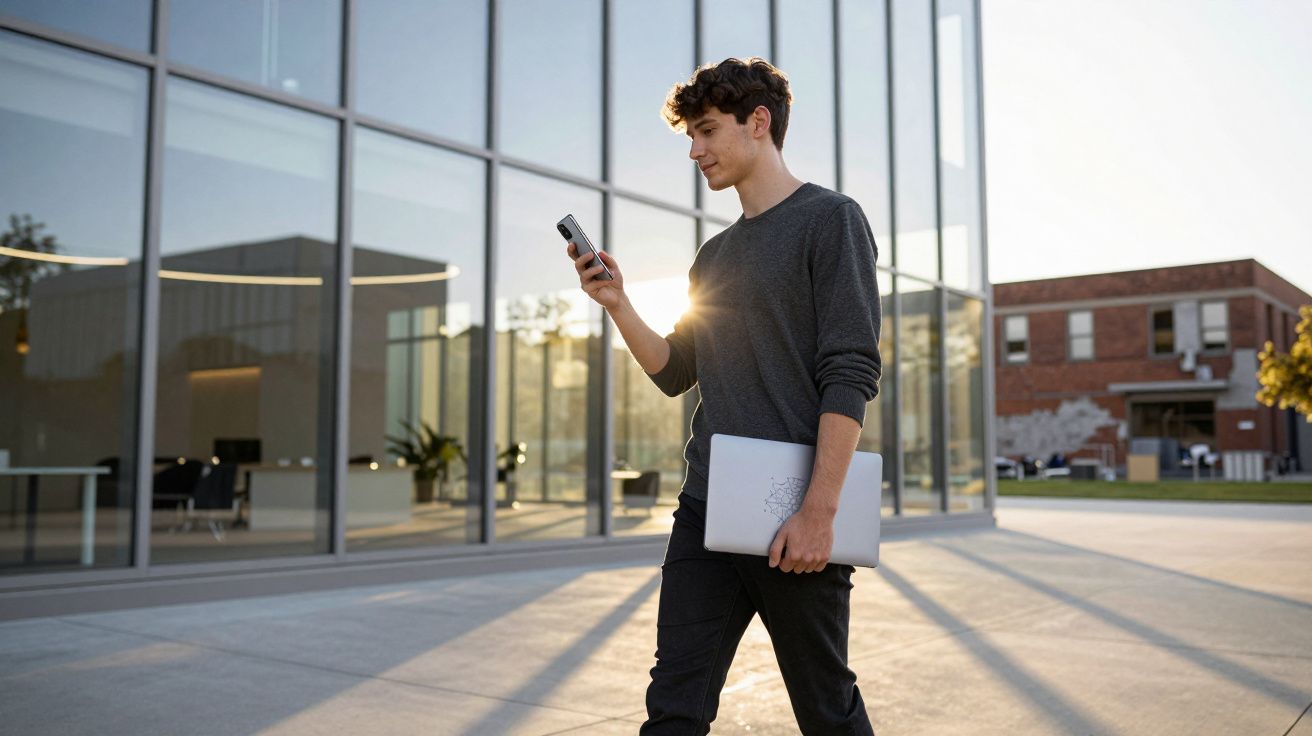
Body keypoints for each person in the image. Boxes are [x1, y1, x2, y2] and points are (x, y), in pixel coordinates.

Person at [565, 57, 881, 734]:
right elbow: (676, 368)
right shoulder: (714, 255)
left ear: (758, 123)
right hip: (706, 509)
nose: (694, 150)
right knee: (673, 702)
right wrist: (617, 302)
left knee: (827, 710)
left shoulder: (832, 221)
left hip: (794, 518)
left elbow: (850, 371)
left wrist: (819, 512)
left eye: (707, 131)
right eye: (690, 135)